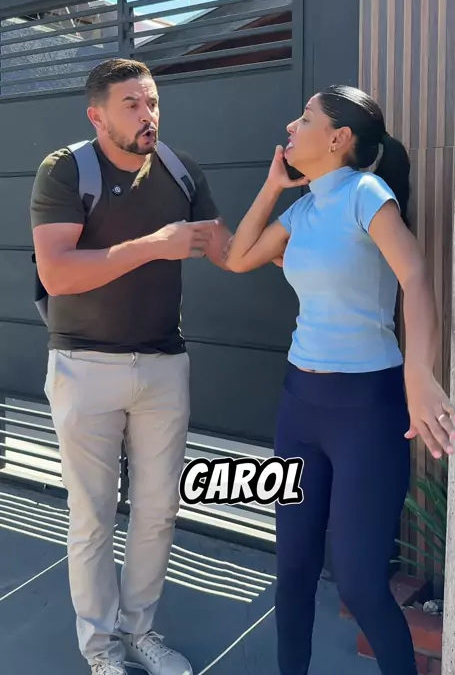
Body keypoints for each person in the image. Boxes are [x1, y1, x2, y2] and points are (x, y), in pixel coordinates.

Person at [224, 85, 455, 675]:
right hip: (298, 408)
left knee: (359, 583)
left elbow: (416, 277)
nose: (291, 126)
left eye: (305, 118)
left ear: (338, 138)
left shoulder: (365, 194)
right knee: (293, 571)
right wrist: (273, 186)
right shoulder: (302, 211)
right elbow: (238, 257)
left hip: (366, 410)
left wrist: (419, 375)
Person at [30, 58, 233, 675]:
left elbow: (227, 249)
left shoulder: (180, 169)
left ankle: (139, 631)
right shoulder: (66, 170)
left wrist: (287, 197)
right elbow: (57, 273)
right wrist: (152, 247)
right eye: (132, 105)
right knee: (93, 517)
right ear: (97, 116)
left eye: (153, 102)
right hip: (83, 363)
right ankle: (101, 652)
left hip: (163, 366)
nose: (149, 115)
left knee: (158, 511)